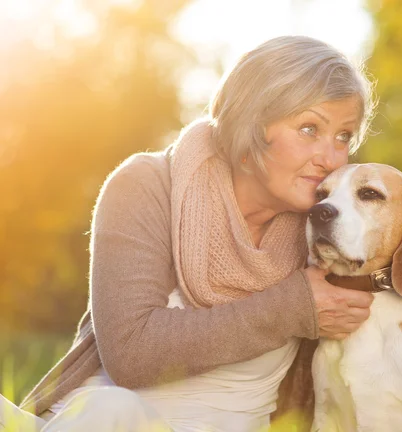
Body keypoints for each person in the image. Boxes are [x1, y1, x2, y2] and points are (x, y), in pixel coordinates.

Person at [0, 35, 376, 432]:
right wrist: (291, 309)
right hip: (98, 421)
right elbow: (132, 353)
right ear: (252, 122)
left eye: (343, 136)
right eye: (309, 129)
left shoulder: (328, 229)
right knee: (114, 410)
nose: (331, 158)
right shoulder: (150, 186)